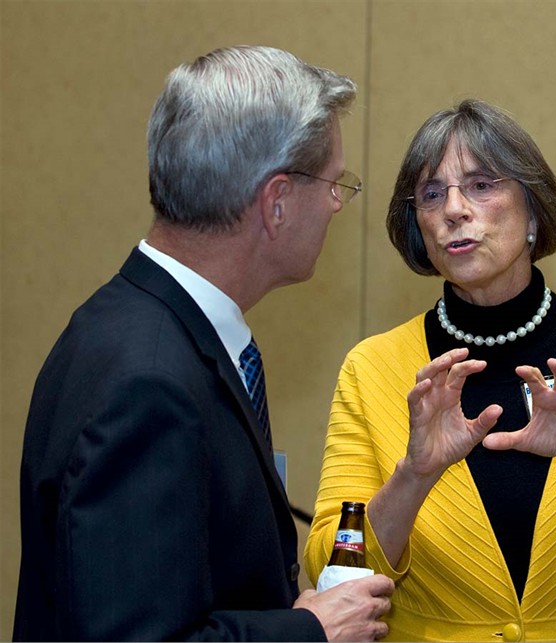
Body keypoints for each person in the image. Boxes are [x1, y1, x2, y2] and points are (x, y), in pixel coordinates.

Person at [15, 45, 394, 641]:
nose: (336, 203)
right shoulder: (148, 381)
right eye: (332, 183)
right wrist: (309, 630)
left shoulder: (126, 322)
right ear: (276, 203)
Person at [304, 99, 556, 641]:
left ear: (534, 211)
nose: (455, 210)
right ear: (417, 224)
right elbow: (331, 572)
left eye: (482, 185)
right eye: (432, 194)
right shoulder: (373, 367)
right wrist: (414, 474)